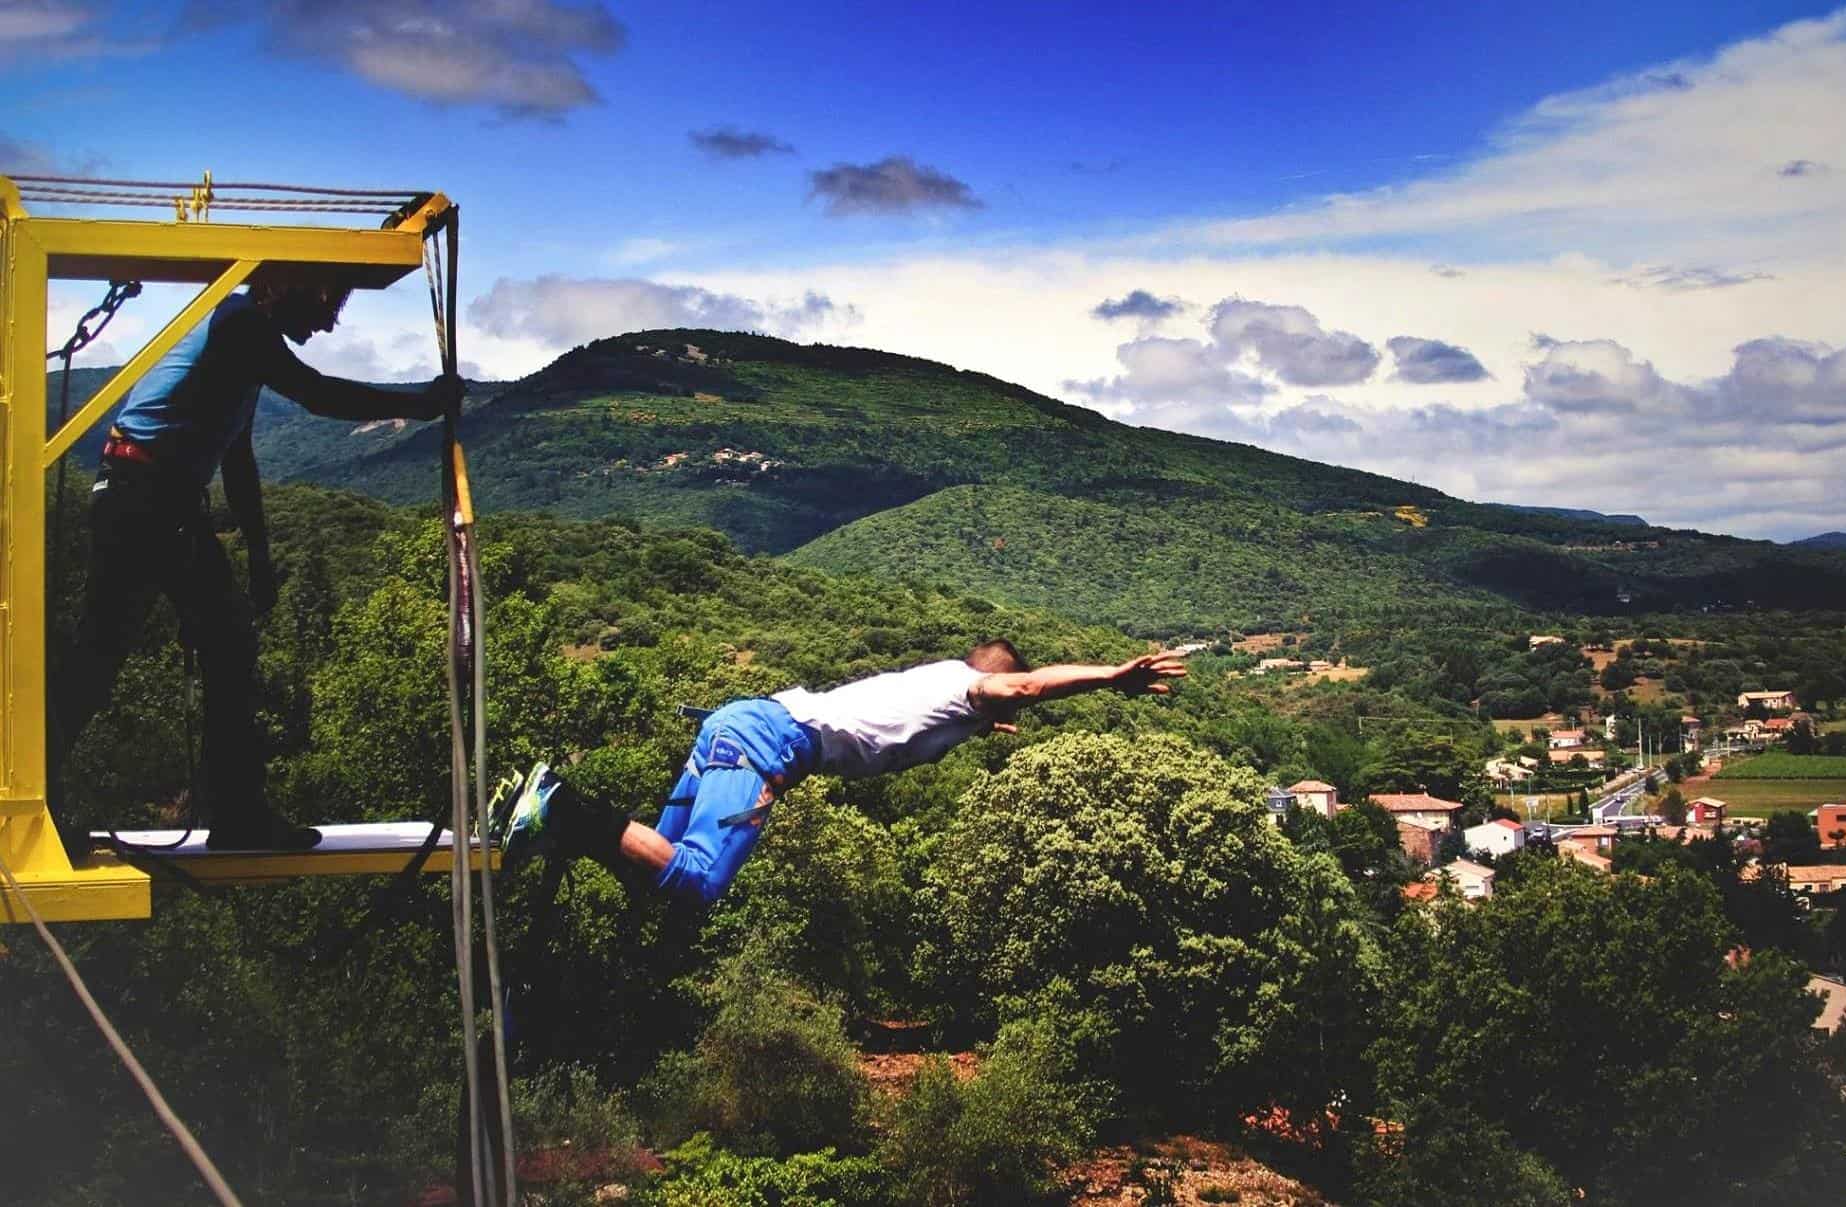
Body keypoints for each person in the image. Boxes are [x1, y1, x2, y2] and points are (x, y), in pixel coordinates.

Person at [53, 271, 463, 859]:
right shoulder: (241, 322)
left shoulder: (238, 345)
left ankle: (225, 813)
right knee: (172, 646)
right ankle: (235, 816)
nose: (329, 322)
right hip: (145, 494)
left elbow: (237, 460)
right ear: (291, 285)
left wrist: (261, 558)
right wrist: (421, 403)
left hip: (143, 494)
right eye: (328, 300)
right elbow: (316, 393)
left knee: (125, 650)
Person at [492, 640, 1187, 905]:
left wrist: (988, 718)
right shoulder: (972, 687)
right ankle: (559, 803)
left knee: (655, 880)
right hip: (769, 745)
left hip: (734, 725)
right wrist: (1111, 678)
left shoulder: (948, 693)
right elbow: (1028, 688)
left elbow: (989, 709)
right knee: (699, 881)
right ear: (994, 680)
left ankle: (542, 820)